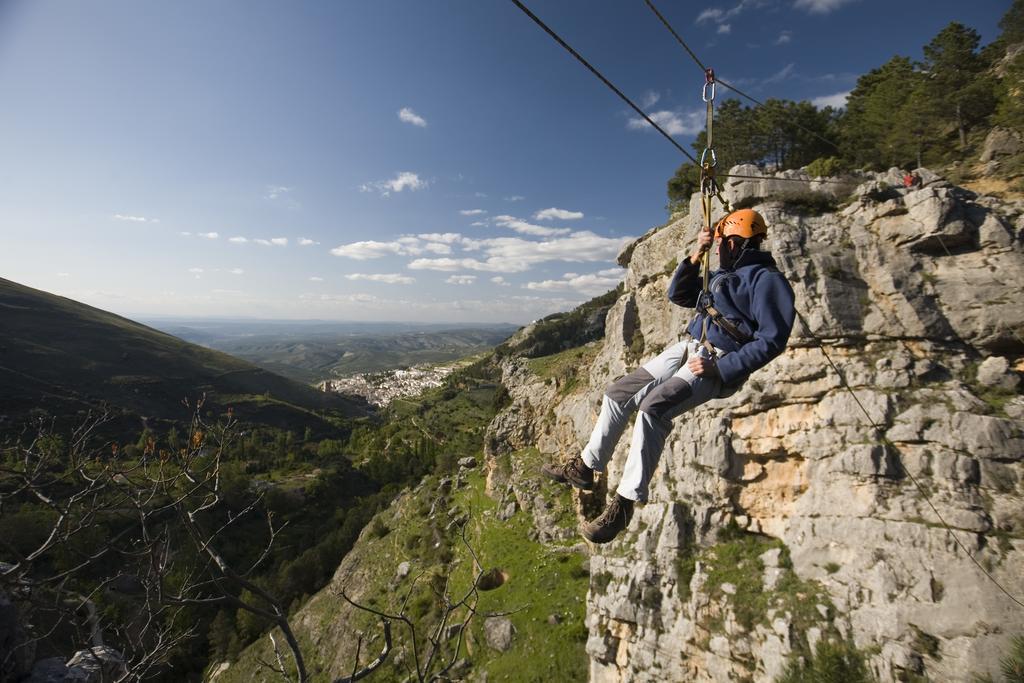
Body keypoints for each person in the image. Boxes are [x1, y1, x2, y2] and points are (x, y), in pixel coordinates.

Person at [542, 209, 796, 543]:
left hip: (714, 360)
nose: (720, 249)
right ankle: (585, 467)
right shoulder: (721, 275)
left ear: (738, 242)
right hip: (690, 347)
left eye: (723, 243)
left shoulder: (766, 280)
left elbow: (772, 339)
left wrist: (722, 368)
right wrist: (695, 256)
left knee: (653, 408)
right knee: (619, 393)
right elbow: (678, 294)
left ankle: (625, 503)